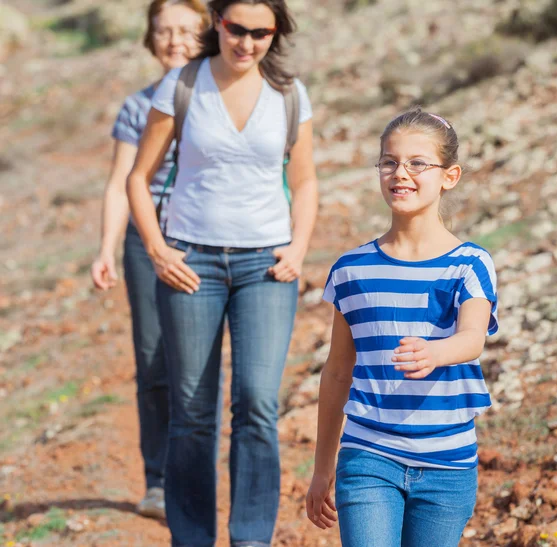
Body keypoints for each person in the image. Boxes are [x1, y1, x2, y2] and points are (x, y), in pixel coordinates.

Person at [126, 0, 318, 544]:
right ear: (218, 24)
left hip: (267, 266)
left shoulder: (289, 95)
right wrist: (158, 250)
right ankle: (191, 537)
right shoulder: (183, 85)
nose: (247, 42)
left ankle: (251, 537)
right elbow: (138, 178)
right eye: (237, 29)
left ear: (275, 34)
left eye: (261, 32)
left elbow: (304, 182)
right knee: (191, 411)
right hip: (193, 263)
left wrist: (299, 248)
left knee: (257, 402)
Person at [306, 108, 499, 547]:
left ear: (450, 176)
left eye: (418, 163)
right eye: (389, 162)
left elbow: (473, 338)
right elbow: (337, 371)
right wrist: (322, 470)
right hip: (368, 456)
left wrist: (436, 352)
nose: (401, 173)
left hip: (448, 469)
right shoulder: (351, 269)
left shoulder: (470, 264)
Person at [90, 0, 209, 520]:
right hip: (147, 240)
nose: (175, 40)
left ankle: (199, 470)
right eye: (164, 31)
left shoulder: (225, 98)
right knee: (154, 359)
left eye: (187, 30)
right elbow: (120, 183)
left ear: (209, 34)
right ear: (150, 39)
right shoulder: (137, 107)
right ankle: (159, 480)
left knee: (200, 362)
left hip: (210, 238)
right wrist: (107, 248)